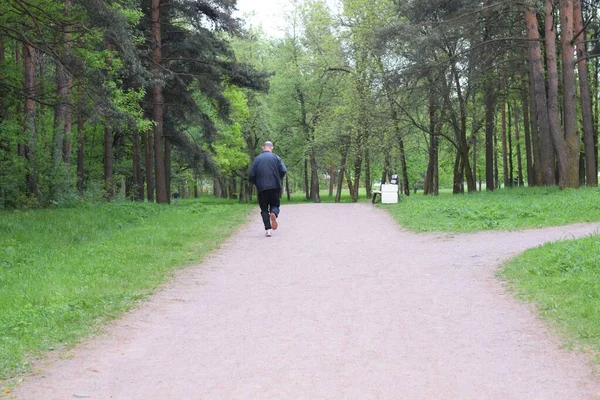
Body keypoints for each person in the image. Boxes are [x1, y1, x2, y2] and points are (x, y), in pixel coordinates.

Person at [249, 141, 287, 237]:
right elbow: (284, 170)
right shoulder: (276, 157)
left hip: (262, 187)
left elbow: (251, 174)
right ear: (272, 148)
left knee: (264, 208)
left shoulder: (257, 159)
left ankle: (268, 229)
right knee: (275, 205)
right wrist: (278, 178)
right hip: (274, 186)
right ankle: (273, 213)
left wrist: (256, 183)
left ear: (263, 148)